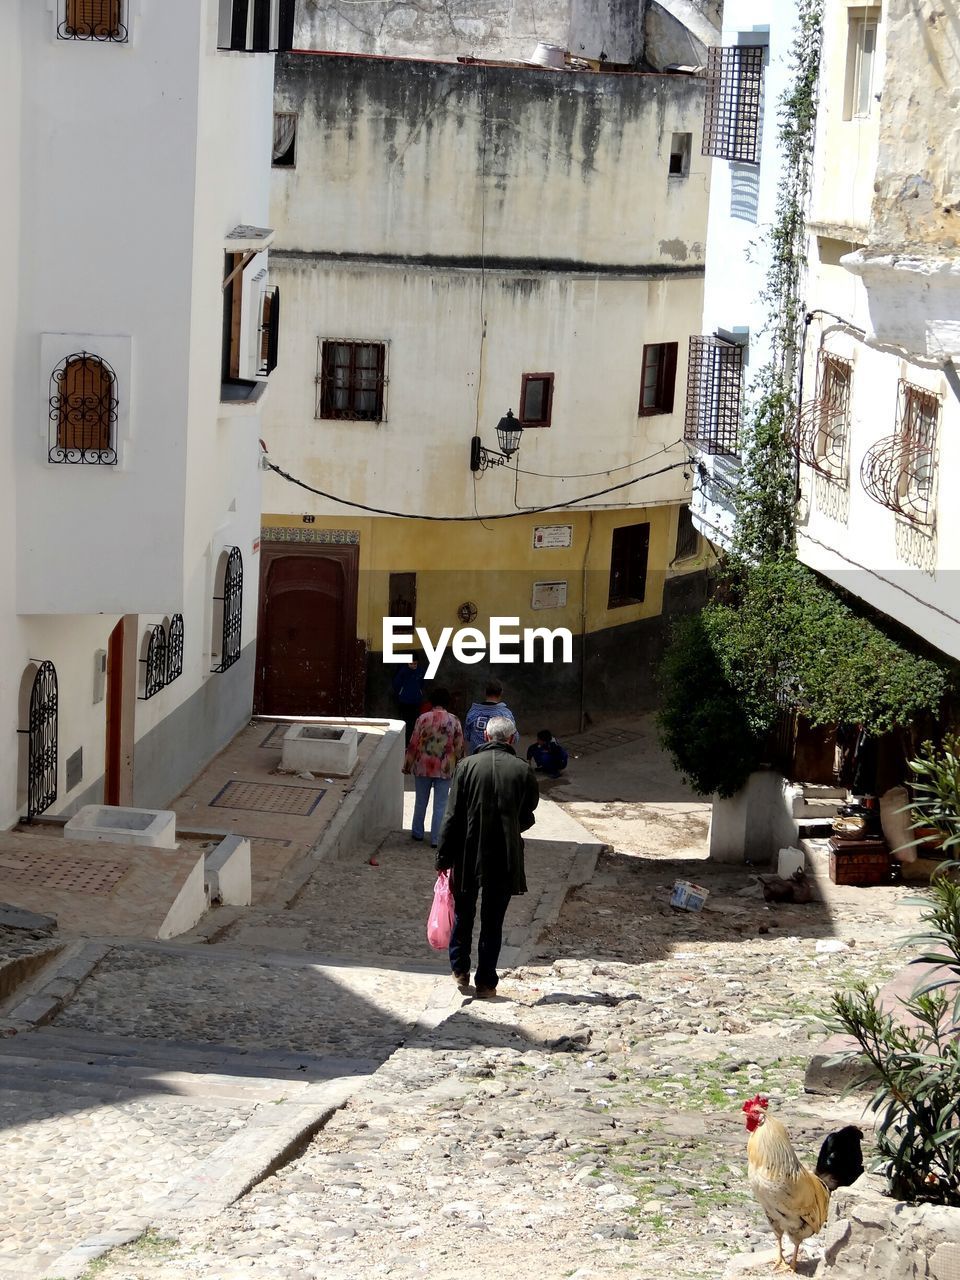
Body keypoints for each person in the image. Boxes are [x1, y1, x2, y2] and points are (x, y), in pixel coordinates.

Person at [435, 716, 539, 998]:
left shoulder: (466, 766)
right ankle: (486, 982)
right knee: (493, 921)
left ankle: (459, 971)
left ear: (485, 736)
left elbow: (452, 815)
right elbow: (528, 811)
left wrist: (443, 857)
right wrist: (513, 825)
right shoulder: (522, 770)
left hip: (467, 854)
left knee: (463, 914)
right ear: (511, 738)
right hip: (504, 855)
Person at [402, 687, 464, 847]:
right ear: (447, 702)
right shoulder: (454, 720)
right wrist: (460, 765)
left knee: (420, 801)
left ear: (432, 701)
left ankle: (417, 833)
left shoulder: (422, 718)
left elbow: (413, 743)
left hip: (422, 766)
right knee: (441, 804)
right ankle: (437, 838)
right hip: (445, 768)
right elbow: (459, 747)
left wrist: (407, 765)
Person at [464, 679, 517, 754]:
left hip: (476, 758)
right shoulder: (506, 714)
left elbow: (467, 737)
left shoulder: (473, 713)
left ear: (485, 692)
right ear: (501, 692)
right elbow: (514, 738)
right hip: (500, 757)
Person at [392, 653, 427, 744]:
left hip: (415, 700)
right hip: (405, 700)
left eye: (415, 664)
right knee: (406, 721)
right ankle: (406, 740)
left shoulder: (420, 671)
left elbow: (423, 683)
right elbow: (397, 684)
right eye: (411, 664)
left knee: (415, 721)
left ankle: (413, 740)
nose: (413, 666)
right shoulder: (403, 671)